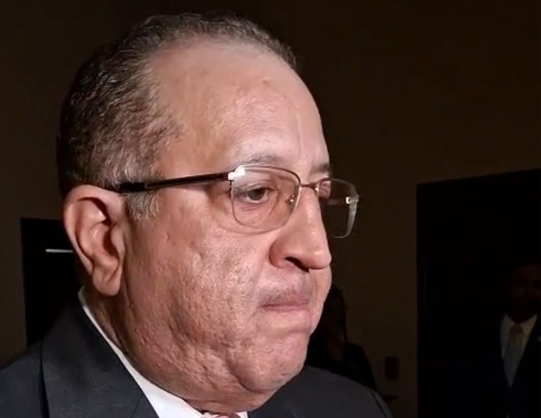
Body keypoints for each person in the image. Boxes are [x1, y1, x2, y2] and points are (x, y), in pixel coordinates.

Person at [0, 13, 392, 418]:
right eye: (256, 192)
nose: (317, 251)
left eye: (320, 196)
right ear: (104, 238)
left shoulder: (355, 408)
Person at [307, 284, 378, 390]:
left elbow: (370, 391)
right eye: (331, 310)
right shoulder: (310, 356)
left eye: (339, 309)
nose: (336, 316)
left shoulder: (356, 355)